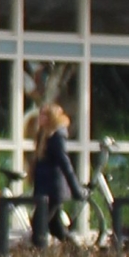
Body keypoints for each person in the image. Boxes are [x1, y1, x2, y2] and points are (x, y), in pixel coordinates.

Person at [31, 104, 79, 249]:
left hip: (52, 190)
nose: (40, 118)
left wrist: (75, 189)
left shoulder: (56, 138)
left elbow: (65, 164)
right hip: (45, 189)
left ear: (51, 118)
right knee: (56, 228)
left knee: (39, 226)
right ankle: (79, 256)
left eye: (44, 115)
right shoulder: (44, 135)